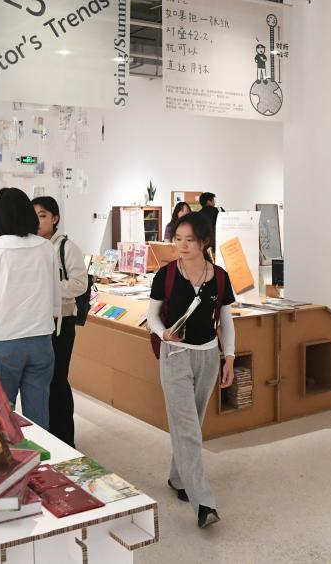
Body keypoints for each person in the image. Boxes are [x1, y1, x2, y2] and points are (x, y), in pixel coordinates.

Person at [147, 212, 235, 529]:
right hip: (175, 356)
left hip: (208, 356)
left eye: (190, 240)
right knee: (187, 429)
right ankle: (204, 503)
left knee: (192, 423)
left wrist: (229, 357)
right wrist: (163, 334)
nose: (182, 246)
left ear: (204, 242)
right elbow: (152, 315)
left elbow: (226, 320)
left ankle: (177, 477)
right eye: (178, 239)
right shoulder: (167, 274)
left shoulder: (220, 277)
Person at [0, 188, 60, 429]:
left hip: (4, 344)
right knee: (39, 416)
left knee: (3, 416)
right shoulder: (46, 247)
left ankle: (12, 455)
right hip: (41, 341)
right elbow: (54, 297)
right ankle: (41, 452)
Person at [33, 196, 88, 446]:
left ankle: (65, 439)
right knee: (43, 382)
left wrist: (49, 289)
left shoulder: (66, 247)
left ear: (55, 218)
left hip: (62, 323)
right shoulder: (33, 246)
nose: (37, 221)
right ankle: (49, 436)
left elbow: (80, 284)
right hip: (39, 324)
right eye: (34, 216)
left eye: (43, 215)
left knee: (57, 381)